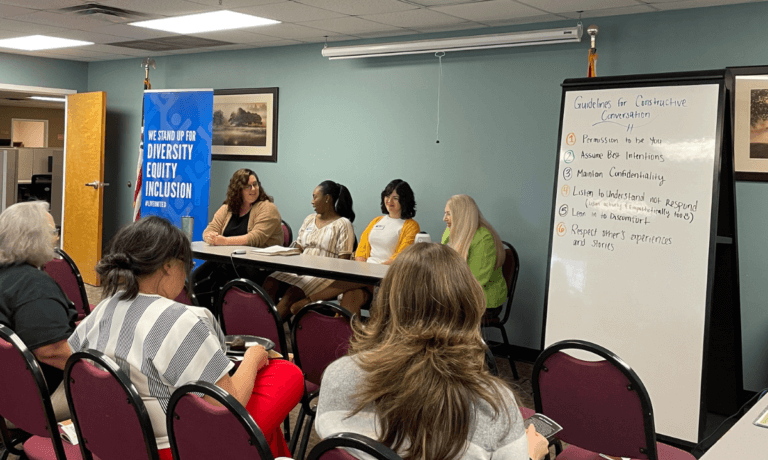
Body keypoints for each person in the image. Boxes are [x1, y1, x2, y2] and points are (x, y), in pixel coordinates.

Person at [69, 216, 303, 459]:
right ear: (169, 265)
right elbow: (226, 404)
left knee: (266, 428)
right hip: (172, 448)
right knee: (288, 373)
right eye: (187, 264)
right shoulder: (183, 320)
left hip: (114, 438)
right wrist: (253, 358)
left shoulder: (103, 309)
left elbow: (73, 355)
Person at [315, 243, 548, 460]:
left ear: (386, 302)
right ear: (468, 307)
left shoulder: (337, 375)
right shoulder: (494, 406)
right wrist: (531, 454)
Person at [292, 179, 419, 316]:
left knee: (349, 279)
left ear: (404, 200)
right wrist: (362, 266)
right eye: (387, 196)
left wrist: (373, 270)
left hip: (387, 276)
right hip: (364, 274)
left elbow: (402, 256)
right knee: (350, 296)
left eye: (395, 198)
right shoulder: (377, 221)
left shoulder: (411, 225)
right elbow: (362, 248)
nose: (389, 201)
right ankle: (352, 336)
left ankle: (310, 300)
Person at [0, 201, 76, 422]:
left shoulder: (8, 276)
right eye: (53, 232)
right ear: (34, 239)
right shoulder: (34, 285)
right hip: (37, 398)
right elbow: (51, 352)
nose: (57, 238)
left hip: (8, 393)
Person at [263, 180, 355, 319]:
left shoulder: (343, 224)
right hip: (301, 268)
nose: (312, 201)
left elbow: (344, 262)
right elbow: (298, 248)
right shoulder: (309, 219)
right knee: (270, 282)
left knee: (293, 293)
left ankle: (269, 330)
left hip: (324, 274)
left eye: (315, 197)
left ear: (327, 199)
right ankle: (261, 321)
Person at [193, 169, 283, 308]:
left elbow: (255, 238)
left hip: (256, 265)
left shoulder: (267, 208)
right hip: (227, 261)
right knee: (197, 279)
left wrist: (224, 241)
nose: (253, 189)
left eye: (255, 184)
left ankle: (221, 320)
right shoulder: (228, 208)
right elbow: (210, 229)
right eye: (248, 186)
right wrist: (210, 237)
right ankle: (208, 320)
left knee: (212, 280)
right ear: (238, 189)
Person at [442, 194, 507, 318]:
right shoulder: (449, 231)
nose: (444, 218)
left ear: (461, 214)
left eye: (449, 214)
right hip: (459, 296)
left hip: (484, 302)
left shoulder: (483, 238)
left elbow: (476, 280)